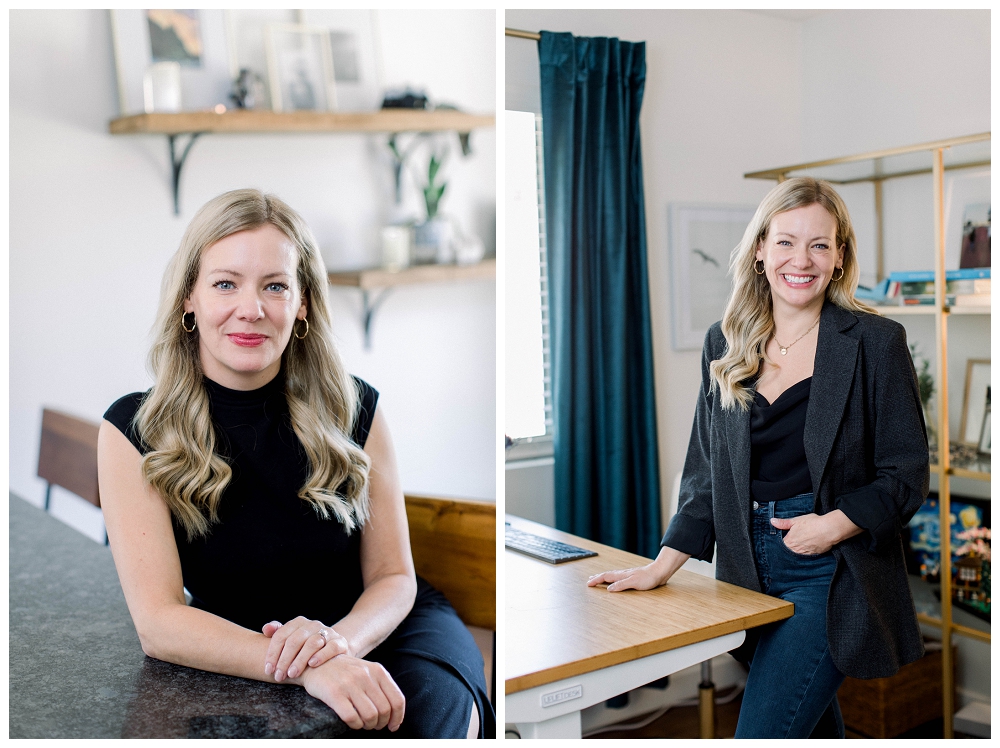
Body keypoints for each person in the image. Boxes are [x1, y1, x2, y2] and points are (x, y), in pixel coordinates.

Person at [98, 189, 495, 739]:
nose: (251, 309)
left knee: (428, 718)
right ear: (188, 296)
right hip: (246, 649)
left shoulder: (355, 406)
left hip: (382, 629)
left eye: (275, 286)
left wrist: (338, 647)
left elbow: (393, 576)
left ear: (302, 303)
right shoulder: (133, 430)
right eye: (225, 283)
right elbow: (160, 624)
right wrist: (310, 667)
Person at [587, 177, 929, 738]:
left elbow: (906, 472)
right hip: (744, 567)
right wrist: (660, 567)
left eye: (820, 244)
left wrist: (831, 529)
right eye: (787, 242)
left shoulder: (875, 342)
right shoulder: (724, 342)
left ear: (840, 257)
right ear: (760, 251)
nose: (803, 259)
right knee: (810, 726)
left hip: (830, 569)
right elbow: (704, 476)